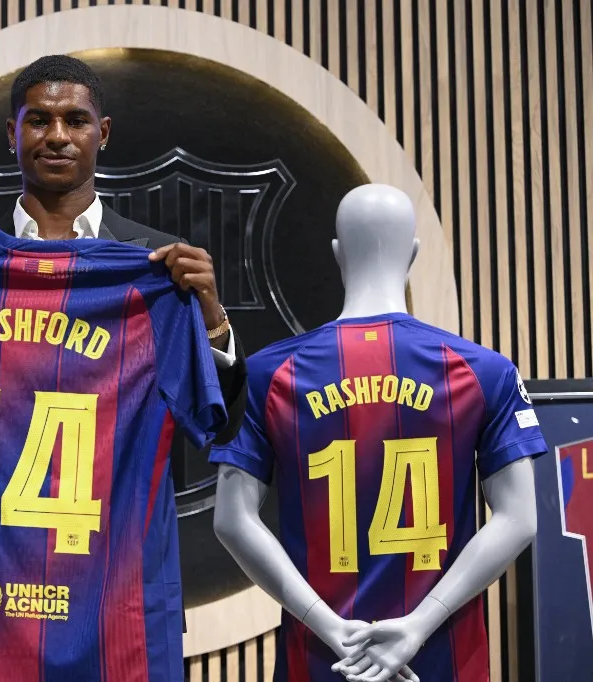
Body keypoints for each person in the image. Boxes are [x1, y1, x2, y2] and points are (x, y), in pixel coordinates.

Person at [210, 184, 545, 682]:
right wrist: (418, 624)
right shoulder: (485, 371)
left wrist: (330, 626)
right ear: (413, 253)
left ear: (337, 254)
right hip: (442, 658)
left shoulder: (267, 374)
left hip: (322, 659)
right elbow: (519, 519)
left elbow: (231, 521)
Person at [0, 54, 247, 442]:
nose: (58, 136)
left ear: (103, 133)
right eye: (39, 120)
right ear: (13, 133)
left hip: (114, 504)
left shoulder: (160, 265)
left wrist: (212, 320)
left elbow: (222, 428)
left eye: (76, 121)